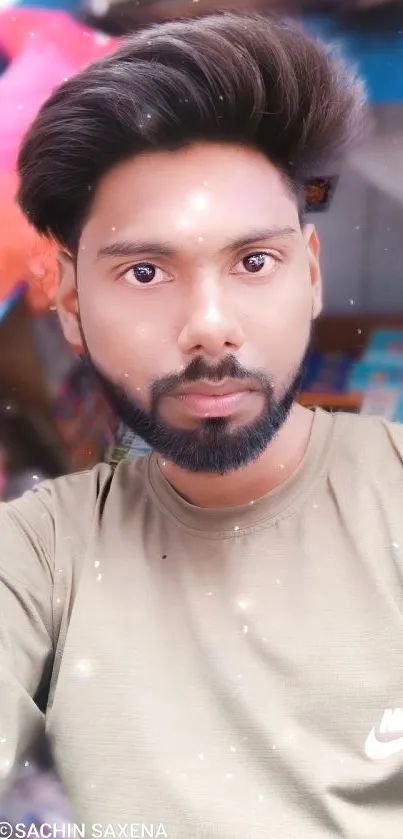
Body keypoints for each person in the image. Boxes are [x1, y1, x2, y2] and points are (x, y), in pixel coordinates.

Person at [1, 10, 403, 837]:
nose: (209, 326)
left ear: (311, 276)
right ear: (72, 305)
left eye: (254, 262)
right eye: (145, 271)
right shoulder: (37, 552)